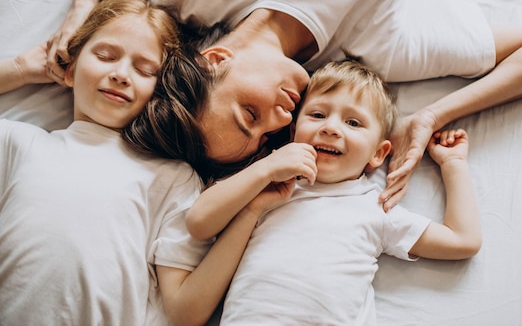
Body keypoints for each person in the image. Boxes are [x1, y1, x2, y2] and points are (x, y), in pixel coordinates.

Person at [45, 0, 522, 210]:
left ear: (213, 59)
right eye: (266, 136)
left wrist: (81, 9)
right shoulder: (383, 43)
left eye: (248, 116)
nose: (282, 119)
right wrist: (433, 116)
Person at [0, 0, 289, 326]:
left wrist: (251, 210)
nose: (121, 74)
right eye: (105, 56)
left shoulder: (172, 177)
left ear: (161, 89)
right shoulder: (22, 145)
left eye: (144, 69)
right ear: (70, 70)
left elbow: (185, 311)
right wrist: (20, 69)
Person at [184, 59, 481, 324]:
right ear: (293, 132)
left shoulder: (376, 208)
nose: (331, 128)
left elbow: (462, 240)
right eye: (317, 115)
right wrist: (267, 167)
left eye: (353, 122)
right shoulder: (265, 185)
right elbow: (199, 219)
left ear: (378, 154)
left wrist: (454, 164)